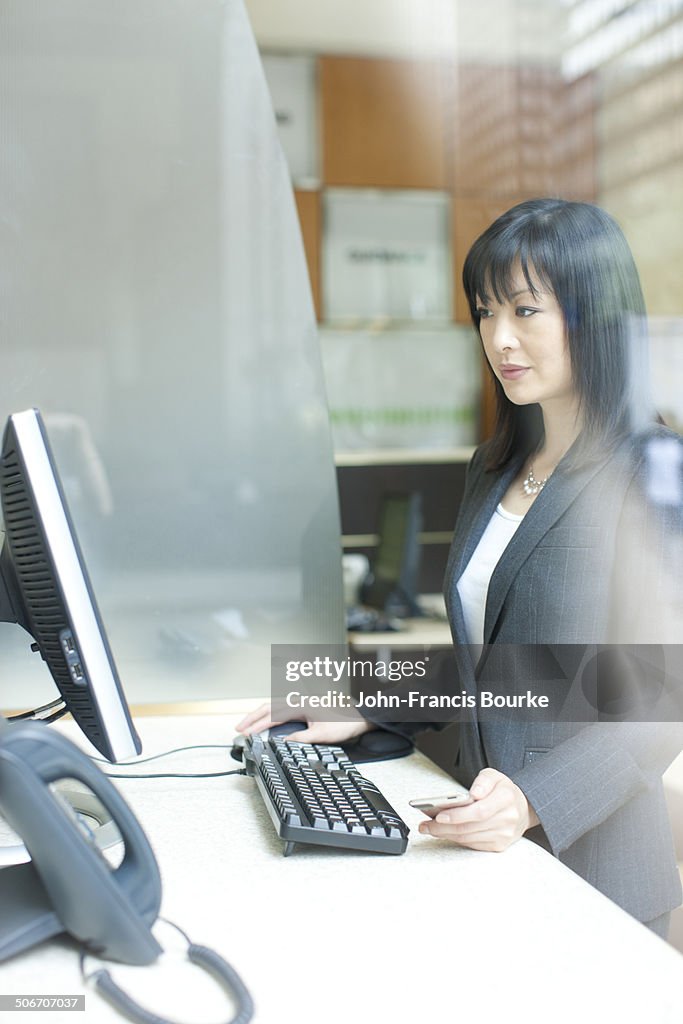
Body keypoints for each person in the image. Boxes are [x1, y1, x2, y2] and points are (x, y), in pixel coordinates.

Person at [238, 198, 683, 936]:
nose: (498, 339)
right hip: (485, 849)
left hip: (592, 870)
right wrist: (354, 694)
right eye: (484, 313)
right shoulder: (494, 465)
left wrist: (532, 799)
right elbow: (502, 665)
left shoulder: (649, 471)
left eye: (525, 311)